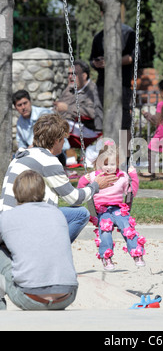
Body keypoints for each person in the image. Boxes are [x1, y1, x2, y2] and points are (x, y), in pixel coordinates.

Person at [0, 113, 117, 243]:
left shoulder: (21, 155)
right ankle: (53, 251)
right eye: (63, 140)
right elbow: (74, 199)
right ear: (56, 140)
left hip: (5, 221)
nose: (64, 144)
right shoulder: (48, 161)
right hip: (26, 223)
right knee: (81, 214)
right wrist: (96, 185)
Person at [0, 170, 78, 310]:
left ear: (15, 192)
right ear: (43, 191)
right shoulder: (57, 214)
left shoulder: (6, 217)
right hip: (67, 295)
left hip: (30, 298)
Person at [77, 141, 146, 271]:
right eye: (105, 164)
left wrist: (134, 177)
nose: (108, 167)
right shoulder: (93, 176)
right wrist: (83, 180)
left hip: (118, 208)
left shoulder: (123, 177)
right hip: (101, 209)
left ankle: (137, 254)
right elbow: (81, 190)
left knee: (127, 226)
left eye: (112, 164)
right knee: (105, 228)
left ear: (118, 163)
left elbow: (132, 192)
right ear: (99, 163)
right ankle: (106, 256)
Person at [89, 24, 137, 131]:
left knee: (123, 121)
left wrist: (111, 62)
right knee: (101, 116)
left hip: (122, 84)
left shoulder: (128, 34)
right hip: (103, 84)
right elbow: (92, 60)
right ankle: (105, 146)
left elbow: (132, 57)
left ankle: (124, 148)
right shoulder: (99, 36)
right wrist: (96, 63)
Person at [54, 60, 103, 148]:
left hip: (88, 128)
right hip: (68, 125)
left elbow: (93, 112)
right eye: (69, 74)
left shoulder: (93, 91)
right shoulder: (69, 89)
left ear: (84, 76)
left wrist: (68, 108)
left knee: (57, 129)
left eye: (73, 74)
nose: (70, 77)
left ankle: (63, 153)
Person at [13, 89, 70, 165]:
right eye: (19, 105)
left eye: (25, 103)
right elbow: (21, 143)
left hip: (53, 152)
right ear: (16, 108)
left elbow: (50, 140)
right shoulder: (19, 122)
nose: (23, 107)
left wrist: (32, 148)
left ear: (30, 102)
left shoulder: (44, 114)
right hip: (33, 154)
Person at [142, 78, 163, 179]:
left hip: (161, 132)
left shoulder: (161, 104)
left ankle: (151, 171)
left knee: (151, 150)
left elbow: (156, 120)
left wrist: (146, 114)